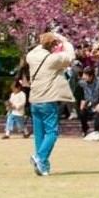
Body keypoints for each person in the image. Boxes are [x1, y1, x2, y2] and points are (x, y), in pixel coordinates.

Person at [23, 30, 75, 176]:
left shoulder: (31, 56)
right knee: (52, 132)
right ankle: (40, 157)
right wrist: (64, 41)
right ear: (52, 45)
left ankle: (43, 166)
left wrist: (46, 40)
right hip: (48, 99)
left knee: (39, 134)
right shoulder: (53, 59)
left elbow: (37, 49)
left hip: (34, 100)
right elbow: (71, 57)